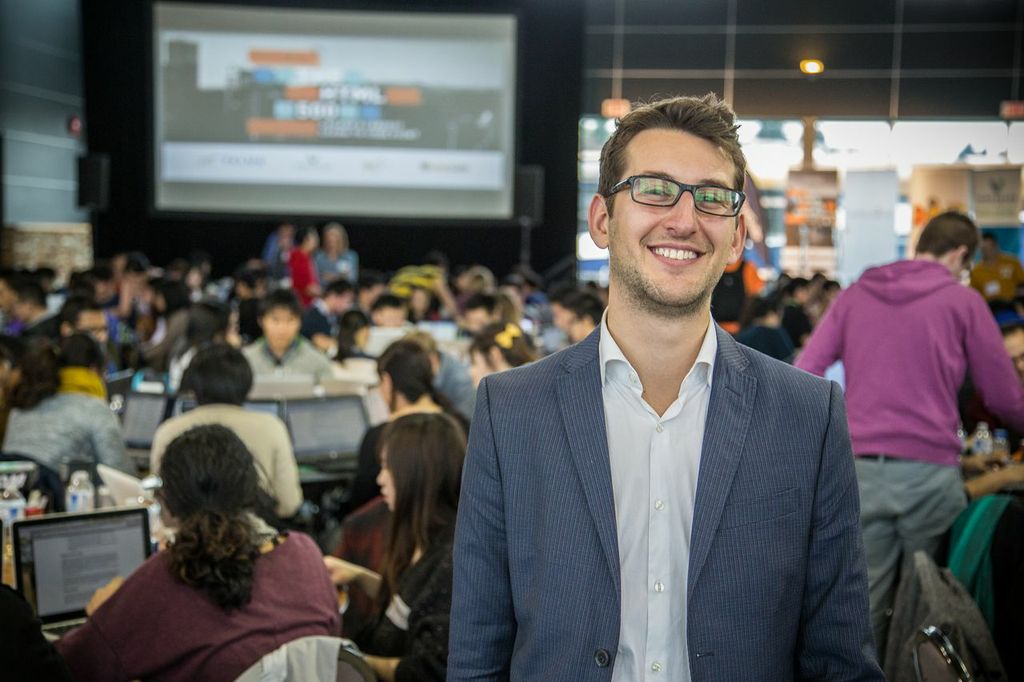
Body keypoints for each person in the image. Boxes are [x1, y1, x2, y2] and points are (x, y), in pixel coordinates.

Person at [449, 94, 880, 680]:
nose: (683, 219)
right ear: (602, 220)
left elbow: (841, 662)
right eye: (654, 189)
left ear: (736, 237)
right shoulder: (511, 410)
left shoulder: (808, 415)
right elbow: (477, 655)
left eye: (712, 197)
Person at [796, 211, 1024, 658]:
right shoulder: (963, 302)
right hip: (930, 477)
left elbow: (805, 371)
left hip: (860, 472)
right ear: (960, 254)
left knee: (863, 607)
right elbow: (1003, 394)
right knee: (933, 605)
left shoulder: (856, 294)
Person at [57, 425, 339, 681]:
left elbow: (71, 665)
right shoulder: (304, 553)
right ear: (252, 487)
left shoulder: (166, 577)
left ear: (169, 504)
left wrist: (103, 616)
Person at [324, 412, 465, 682]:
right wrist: (357, 575)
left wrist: (352, 661)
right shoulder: (422, 537)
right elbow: (410, 603)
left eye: (388, 467)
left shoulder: (450, 558)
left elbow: (426, 670)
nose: (380, 479)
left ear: (415, 474)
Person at [151, 344, 303, 518]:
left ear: (194, 383)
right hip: (254, 529)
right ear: (247, 382)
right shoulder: (271, 427)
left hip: (186, 532)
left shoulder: (169, 430)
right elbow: (289, 503)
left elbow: (160, 505)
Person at [3, 333, 129, 475]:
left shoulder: (23, 403)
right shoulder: (96, 409)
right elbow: (120, 472)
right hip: (57, 487)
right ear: (94, 370)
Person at [242, 290, 332, 381]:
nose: (282, 329)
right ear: (261, 321)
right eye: (275, 320)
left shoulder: (318, 362)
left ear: (300, 322)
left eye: (290, 320)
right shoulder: (246, 360)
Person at [468, 322, 537, 388]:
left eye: (474, 362)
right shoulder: (535, 380)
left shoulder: (509, 392)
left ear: (494, 355)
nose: (470, 372)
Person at [301, 279, 355, 354]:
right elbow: (320, 342)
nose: (347, 306)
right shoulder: (311, 315)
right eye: (347, 301)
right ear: (333, 296)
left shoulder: (334, 316)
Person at [971, 232, 1024, 303]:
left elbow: (1022, 283)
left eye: (990, 247)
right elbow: (974, 294)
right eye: (984, 249)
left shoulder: (1012, 262)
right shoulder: (976, 271)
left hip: (1012, 304)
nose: (988, 251)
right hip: (990, 306)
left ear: (996, 246)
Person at [289, 226, 322, 309]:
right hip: (303, 305)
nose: (317, 240)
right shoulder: (299, 257)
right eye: (314, 237)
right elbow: (307, 288)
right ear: (305, 239)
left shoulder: (307, 257)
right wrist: (327, 294)